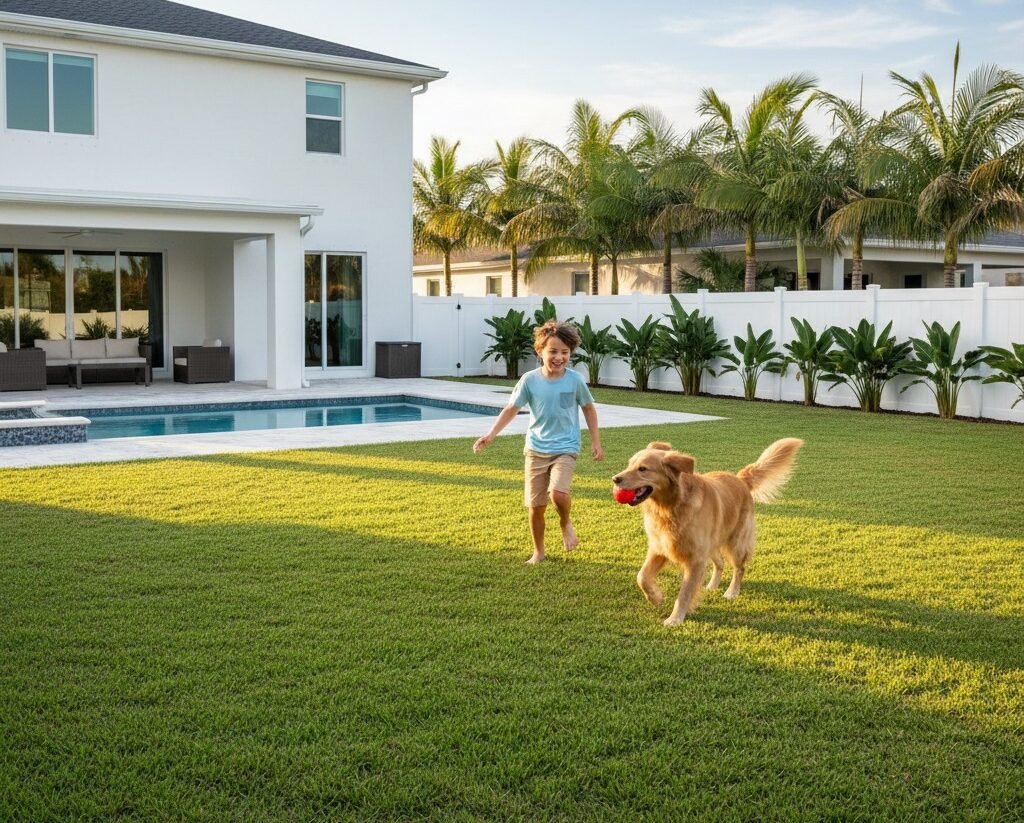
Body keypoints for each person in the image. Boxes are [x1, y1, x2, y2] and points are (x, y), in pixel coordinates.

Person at [473, 320, 604, 564]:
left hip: (566, 447)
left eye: (565, 353)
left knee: (559, 493)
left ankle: (565, 523)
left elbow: (588, 409)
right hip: (535, 449)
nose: (559, 357)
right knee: (536, 507)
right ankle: (539, 552)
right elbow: (511, 409)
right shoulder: (529, 380)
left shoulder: (575, 380)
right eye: (553, 351)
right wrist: (490, 435)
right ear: (540, 351)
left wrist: (596, 442)